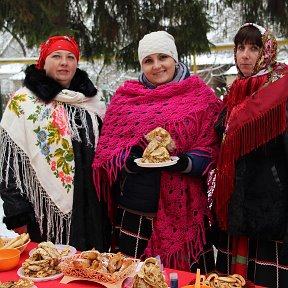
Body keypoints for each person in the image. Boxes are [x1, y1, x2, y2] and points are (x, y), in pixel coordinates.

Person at [92, 31, 223, 272]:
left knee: (187, 281)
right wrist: (129, 161)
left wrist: (184, 162)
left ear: (174, 58)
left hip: (186, 213)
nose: (157, 66)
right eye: (148, 60)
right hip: (136, 210)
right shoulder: (125, 100)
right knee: (134, 278)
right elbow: (109, 151)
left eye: (163, 57)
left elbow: (213, 148)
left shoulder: (201, 97)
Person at [0, 35, 111, 251]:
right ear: (43, 62)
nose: (64, 62)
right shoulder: (23, 102)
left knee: (91, 271)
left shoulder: (91, 102)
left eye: (71, 57)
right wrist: (17, 213)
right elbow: (8, 164)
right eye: (56, 56)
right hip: (43, 215)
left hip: (93, 212)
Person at [214, 23, 288, 287]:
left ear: (267, 51)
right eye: (240, 48)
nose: (244, 55)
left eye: (254, 48)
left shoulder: (283, 90)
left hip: (271, 206)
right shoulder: (236, 91)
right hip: (238, 202)